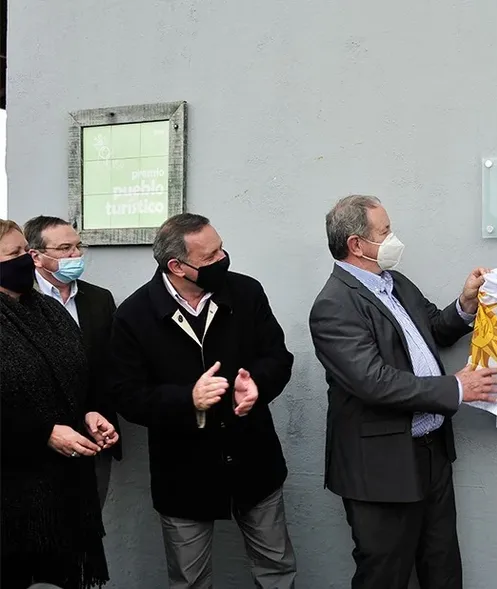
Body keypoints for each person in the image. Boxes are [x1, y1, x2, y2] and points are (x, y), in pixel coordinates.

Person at [309, 195, 497, 589]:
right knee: (385, 573)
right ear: (356, 245)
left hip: (430, 453)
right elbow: (373, 382)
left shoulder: (394, 282)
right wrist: (456, 388)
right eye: (385, 232)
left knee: (442, 566)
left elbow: (433, 328)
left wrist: (465, 304)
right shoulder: (334, 305)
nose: (393, 238)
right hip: (380, 467)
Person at [107, 213, 297, 589]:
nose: (223, 259)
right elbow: (127, 395)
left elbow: (278, 357)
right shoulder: (134, 315)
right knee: (190, 581)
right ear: (177, 266)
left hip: (254, 462)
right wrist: (187, 399)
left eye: (221, 248)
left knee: (276, 569)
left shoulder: (247, 292)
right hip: (183, 474)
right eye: (210, 257)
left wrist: (257, 385)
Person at [0, 219, 115, 589]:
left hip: (65, 482)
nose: (26, 260)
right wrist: (44, 433)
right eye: (15, 254)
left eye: (26, 252)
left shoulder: (48, 311)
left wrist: (89, 413)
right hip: (12, 488)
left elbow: (72, 377)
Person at [24, 215, 122, 508]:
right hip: (39, 444)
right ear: (36, 257)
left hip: (94, 436)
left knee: (90, 529)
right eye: (65, 248)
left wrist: (98, 413)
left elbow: (110, 366)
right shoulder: (19, 301)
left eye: (79, 246)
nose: (76, 255)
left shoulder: (99, 299)